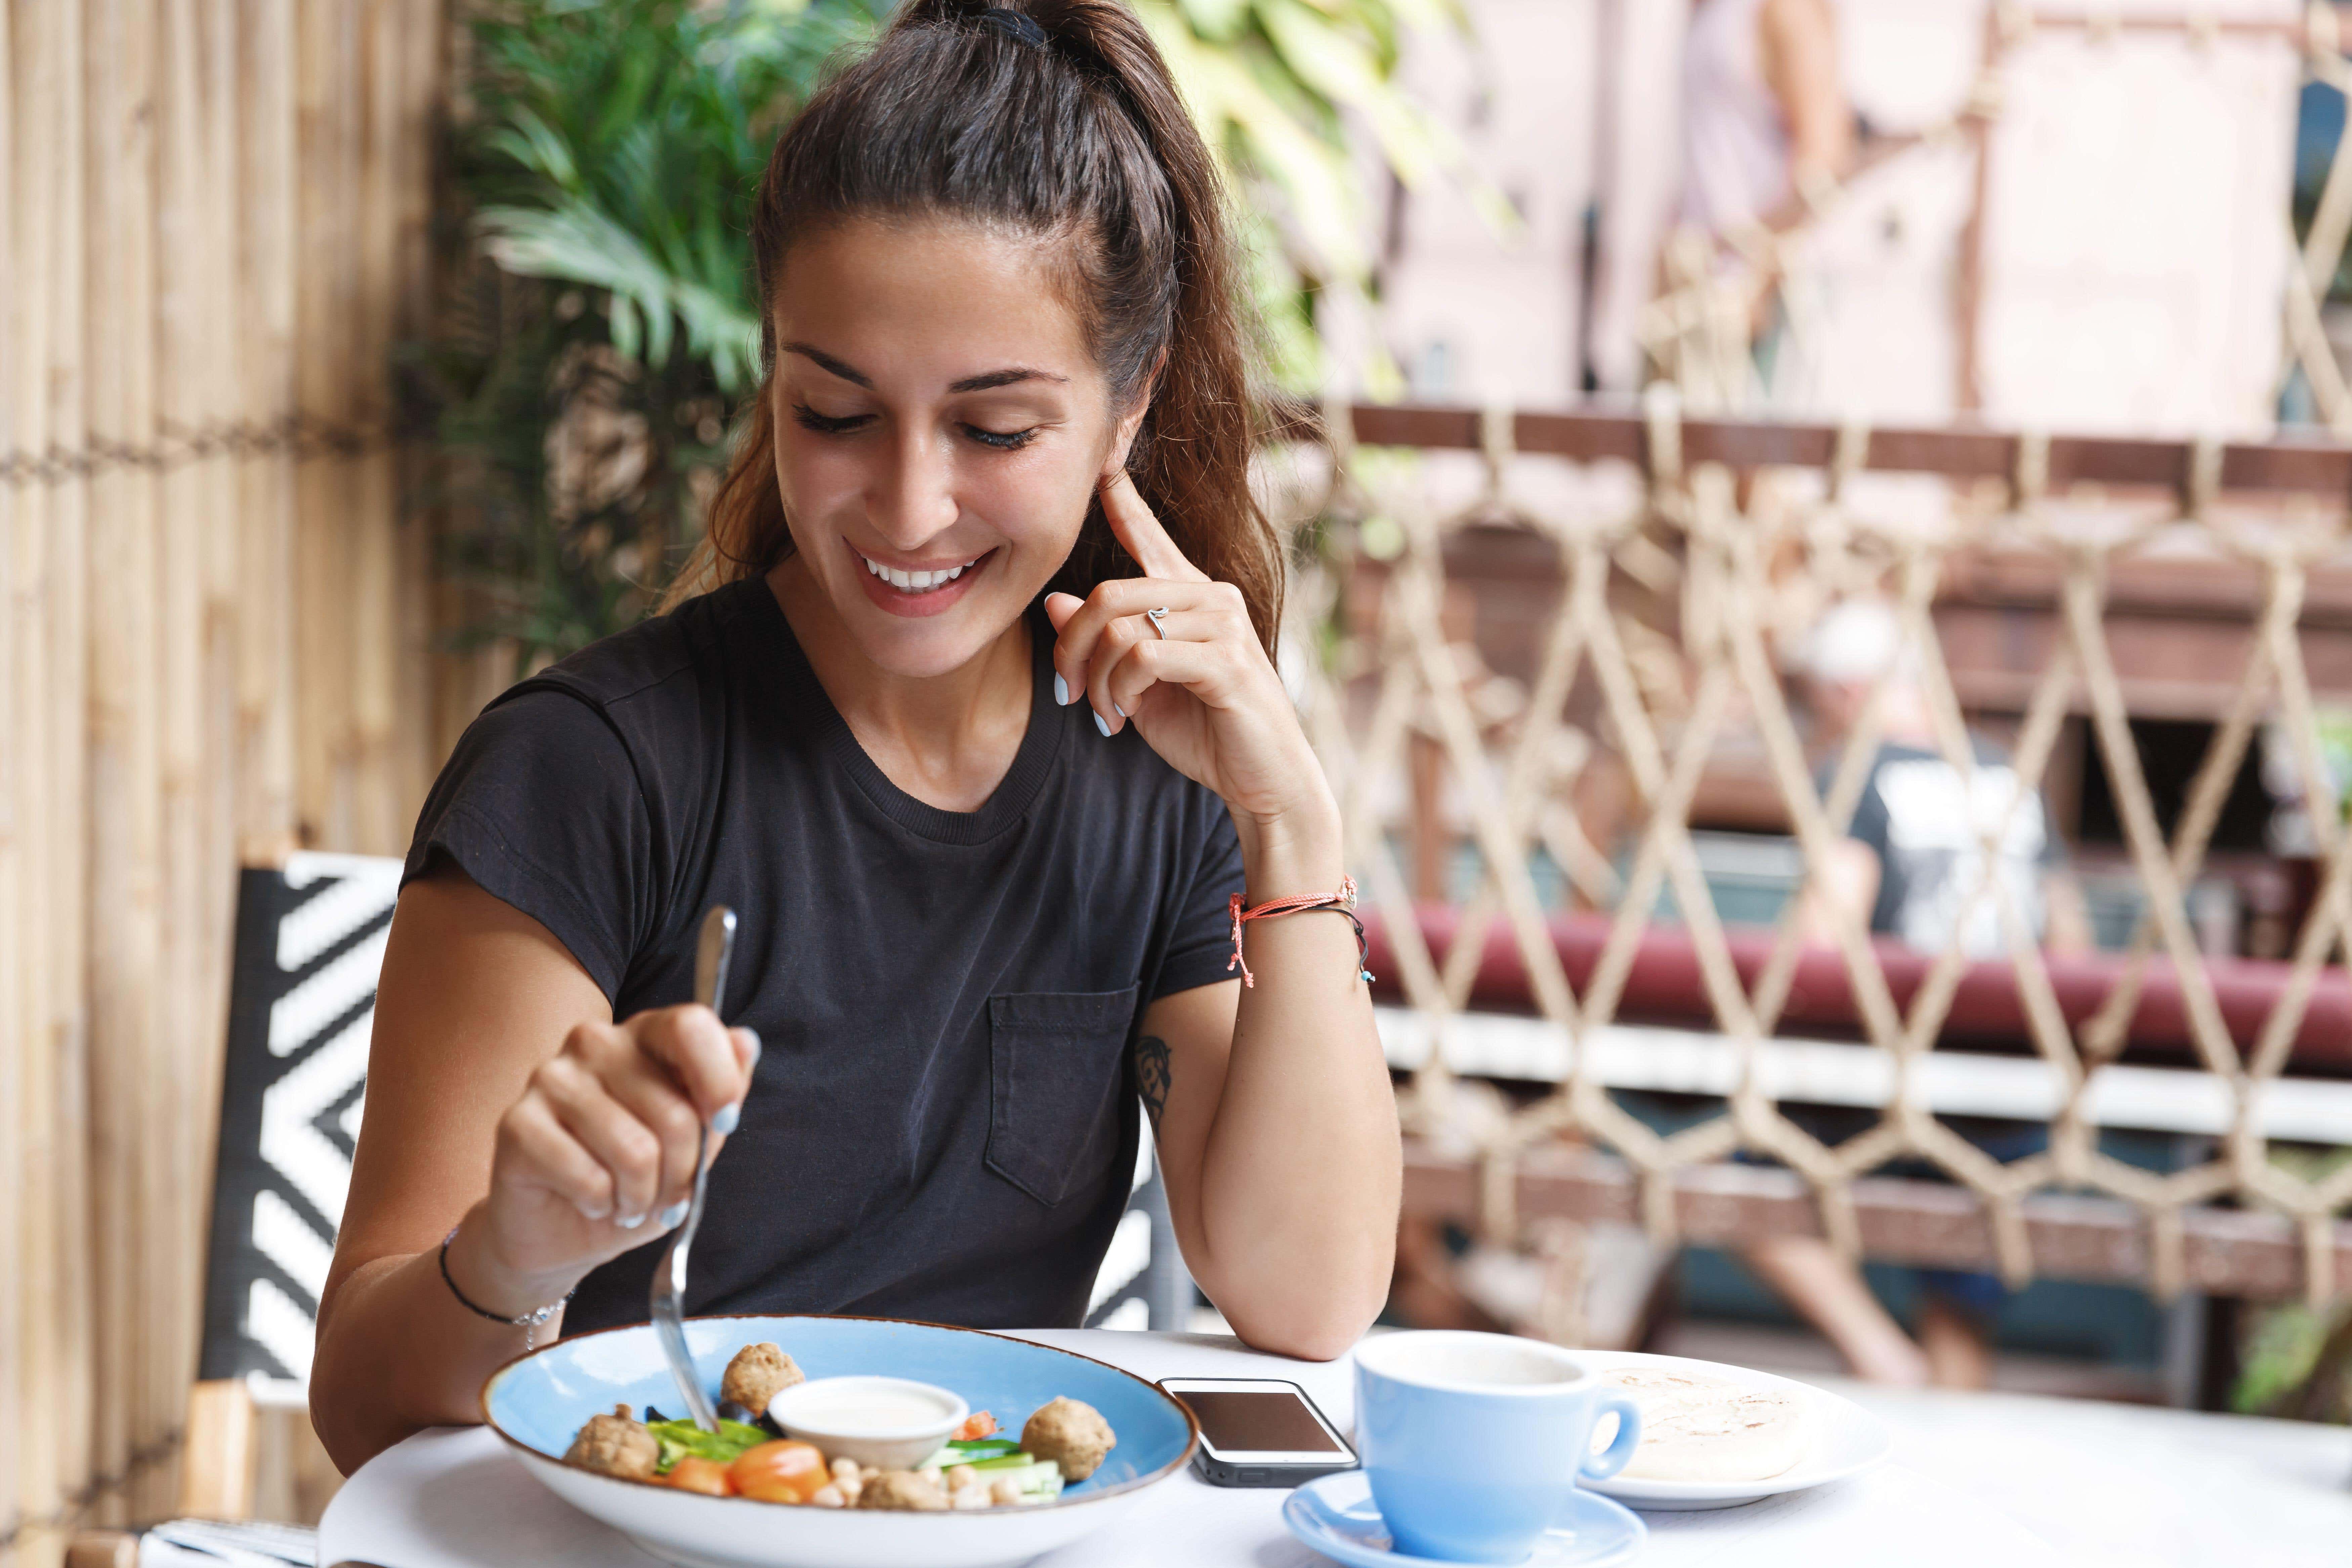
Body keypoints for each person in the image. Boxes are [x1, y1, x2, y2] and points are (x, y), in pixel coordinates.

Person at [310, 0, 1401, 1472]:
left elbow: (1304, 1294)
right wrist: (514, 1256)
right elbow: (364, 1404)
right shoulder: (593, 772)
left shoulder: (1150, 774)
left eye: (995, 431)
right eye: (834, 411)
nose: (904, 507)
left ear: (1127, 408)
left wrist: (1294, 830)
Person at [1744, 596, 2091, 1389]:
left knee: (1739, 1187)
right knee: (1959, 1300)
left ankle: (1880, 1360)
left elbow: (1823, 937)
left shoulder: (1860, 774)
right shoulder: (2006, 773)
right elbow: (2069, 942)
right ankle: (1951, 1436)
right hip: (2006, 1078)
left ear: (1843, 693)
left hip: (1893, 1072)